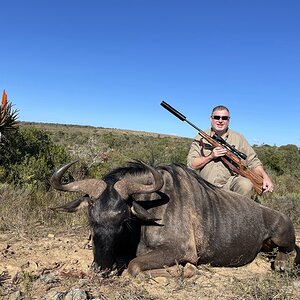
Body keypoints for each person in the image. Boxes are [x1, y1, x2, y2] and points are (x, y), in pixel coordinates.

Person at [187, 105, 273, 199]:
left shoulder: (239, 138)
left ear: (228, 120)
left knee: (245, 184)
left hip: (229, 185)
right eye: (217, 117)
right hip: (205, 185)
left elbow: (253, 162)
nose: (220, 121)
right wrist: (211, 156)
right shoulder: (200, 137)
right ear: (211, 119)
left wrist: (265, 178)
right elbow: (191, 165)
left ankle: (240, 212)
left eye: (224, 118)